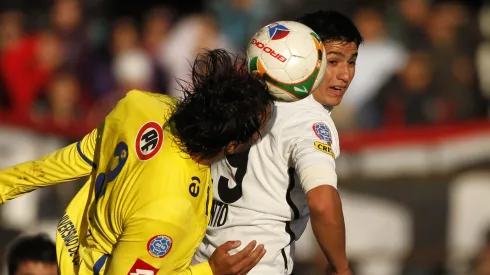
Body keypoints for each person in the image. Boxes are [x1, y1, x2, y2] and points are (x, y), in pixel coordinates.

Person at [0, 49, 274, 275]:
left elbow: (62, 163)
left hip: (77, 249)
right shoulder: (169, 209)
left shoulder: (140, 106)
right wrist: (209, 271)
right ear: (232, 146)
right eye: (258, 131)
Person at [193, 11, 363, 275]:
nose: (345, 74)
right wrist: (340, 266)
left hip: (202, 259)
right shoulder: (310, 121)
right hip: (257, 262)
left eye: (352, 62)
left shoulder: (239, 101)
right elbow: (322, 202)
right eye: (332, 61)